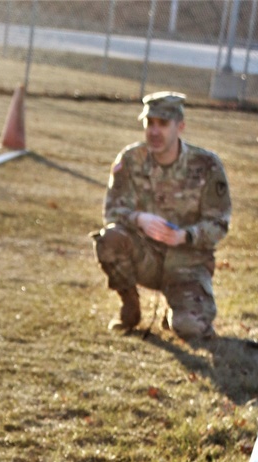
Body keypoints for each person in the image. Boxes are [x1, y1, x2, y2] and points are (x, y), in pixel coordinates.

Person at [91, 91, 231, 340]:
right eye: (150, 123)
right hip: (147, 258)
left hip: (187, 264)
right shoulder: (131, 160)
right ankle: (130, 306)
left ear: (180, 126)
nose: (154, 132)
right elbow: (112, 211)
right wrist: (139, 219)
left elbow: (219, 224)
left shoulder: (206, 166)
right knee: (109, 238)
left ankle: (176, 309)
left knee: (191, 329)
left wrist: (184, 236)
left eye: (163, 124)